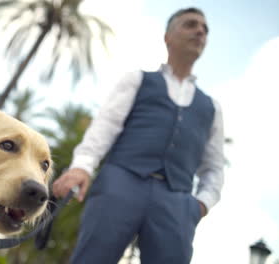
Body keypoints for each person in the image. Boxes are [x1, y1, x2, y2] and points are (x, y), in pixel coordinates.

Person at [52, 7, 225, 264]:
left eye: (205, 29)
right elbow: (105, 127)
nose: (200, 31)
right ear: (168, 36)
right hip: (119, 183)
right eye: (191, 24)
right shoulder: (137, 80)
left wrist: (199, 206)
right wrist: (82, 167)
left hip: (177, 201)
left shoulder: (211, 107)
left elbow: (214, 166)